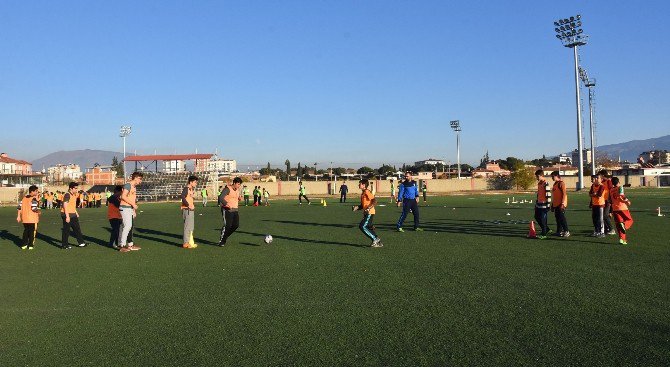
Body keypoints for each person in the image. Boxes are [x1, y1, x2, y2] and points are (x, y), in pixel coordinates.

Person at [352, 179, 383, 247]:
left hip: (370, 212)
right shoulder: (363, 193)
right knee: (368, 227)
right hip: (366, 213)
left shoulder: (367, 192)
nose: (358, 185)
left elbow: (374, 200)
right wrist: (357, 207)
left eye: (359, 184)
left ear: (363, 185)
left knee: (362, 226)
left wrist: (369, 208)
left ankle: (375, 239)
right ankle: (378, 242)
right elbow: (363, 205)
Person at [119, 172, 143, 253]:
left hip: (129, 209)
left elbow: (131, 199)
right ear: (135, 178)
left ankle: (130, 245)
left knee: (130, 226)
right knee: (127, 226)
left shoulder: (133, 187)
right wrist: (133, 204)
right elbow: (123, 196)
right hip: (125, 208)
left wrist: (133, 210)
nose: (141, 181)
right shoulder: (128, 185)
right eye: (140, 179)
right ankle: (122, 245)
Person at [218, 177, 243, 247]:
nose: (239, 186)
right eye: (238, 184)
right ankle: (222, 241)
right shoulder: (227, 189)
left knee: (236, 225)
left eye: (239, 184)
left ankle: (225, 236)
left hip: (235, 210)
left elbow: (235, 197)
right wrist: (226, 204)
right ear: (234, 183)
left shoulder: (237, 190)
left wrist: (239, 198)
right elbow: (220, 197)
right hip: (227, 210)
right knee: (228, 226)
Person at [60, 182, 86, 249]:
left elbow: (72, 205)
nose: (76, 190)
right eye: (75, 188)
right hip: (67, 214)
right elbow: (65, 205)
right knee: (66, 230)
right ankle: (64, 245)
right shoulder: (67, 195)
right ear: (71, 188)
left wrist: (76, 212)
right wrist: (67, 216)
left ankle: (81, 243)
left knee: (77, 229)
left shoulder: (74, 195)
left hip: (73, 214)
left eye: (77, 188)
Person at [610, 177, 634, 245]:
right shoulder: (620, 187)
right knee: (629, 220)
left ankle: (622, 239)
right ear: (619, 182)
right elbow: (622, 195)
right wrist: (627, 201)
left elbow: (610, 200)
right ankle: (624, 225)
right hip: (622, 208)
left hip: (615, 208)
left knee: (618, 225)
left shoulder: (611, 190)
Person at [16, 185, 41, 250]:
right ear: (32, 191)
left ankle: (24, 245)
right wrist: (38, 211)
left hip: (25, 218)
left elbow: (19, 207)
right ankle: (30, 245)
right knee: (31, 232)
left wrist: (18, 216)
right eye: (36, 191)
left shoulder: (24, 198)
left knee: (26, 231)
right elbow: (34, 208)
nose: (37, 192)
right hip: (32, 219)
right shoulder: (34, 198)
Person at [107, 185, 129, 250]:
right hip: (114, 217)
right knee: (118, 231)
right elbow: (119, 205)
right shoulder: (113, 197)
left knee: (115, 231)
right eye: (121, 191)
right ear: (118, 191)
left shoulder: (116, 198)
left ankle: (111, 243)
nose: (122, 193)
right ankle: (120, 245)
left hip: (117, 217)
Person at [550, 171, 570, 237]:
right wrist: (552, 204)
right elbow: (554, 195)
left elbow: (564, 194)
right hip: (555, 204)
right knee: (557, 218)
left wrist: (562, 203)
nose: (552, 178)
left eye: (553, 176)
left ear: (556, 176)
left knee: (562, 218)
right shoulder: (555, 184)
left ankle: (566, 231)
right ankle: (559, 231)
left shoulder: (561, 183)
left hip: (561, 204)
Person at [181, 175, 198, 249]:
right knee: (187, 227)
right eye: (195, 182)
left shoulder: (190, 189)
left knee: (191, 227)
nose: (196, 184)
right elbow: (182, 196)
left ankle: (190, 242)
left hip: (190, 210)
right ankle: (185, 243)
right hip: (187, 210)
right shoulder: (186, 188)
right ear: (190, 182)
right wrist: (188, 205)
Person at [534, 170, 552, 239]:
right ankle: (546, 229)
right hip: (539, 204)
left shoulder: (545, 183)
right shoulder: (539, 183)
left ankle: (544, 234)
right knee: (536, 217)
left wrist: (548, 205)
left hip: (544, 204)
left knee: (543, 219)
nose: (537, 178)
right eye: (536, 176)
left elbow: (548, 194)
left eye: (537, 176)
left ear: (541, 175)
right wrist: (536, 202)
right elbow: (539, 194)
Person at [598, 170, 616, 235]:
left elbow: (611, 191)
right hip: (602, 201)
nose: (598, 176)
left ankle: (612, 229)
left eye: (599, 175)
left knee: (605, 215)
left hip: (607, 201)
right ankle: (606, 229)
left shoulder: (608, 182)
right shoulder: (601, 182)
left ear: (603, 175)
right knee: (602, 216)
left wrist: (611, 200)